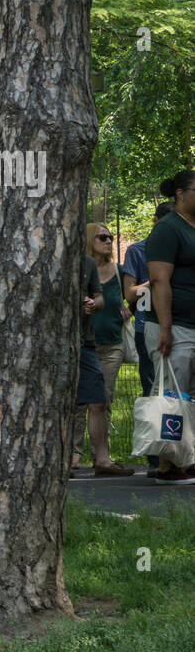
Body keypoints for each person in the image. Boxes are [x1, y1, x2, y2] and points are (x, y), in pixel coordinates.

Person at [145, 169, 195, 484]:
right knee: (172, 398)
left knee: (188, 397)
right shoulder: (167, 229)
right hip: (174, 326)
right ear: (180, 193)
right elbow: (160, 281)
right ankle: (168, 466)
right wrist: (166, 327)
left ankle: (186, 458)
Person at [122, 201, 175, 477]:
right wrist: (155, 279)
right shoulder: (137, 250)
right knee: (154, 391)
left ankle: (181, 453)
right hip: (147, 329)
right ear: (156, 222)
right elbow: (130, 294)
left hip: (182, 325)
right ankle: (156, 457)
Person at [72, 223, 129, 471]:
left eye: (110, 237)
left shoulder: (114, 270)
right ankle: (72, 455)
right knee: (75, 402)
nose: (108, 241)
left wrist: (94, 304)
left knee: (101, 399)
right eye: (102, 237)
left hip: (107, 344)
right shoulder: (77, 264)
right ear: (88, 240)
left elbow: (104, 297)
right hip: (76, 343)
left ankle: (101, 458)